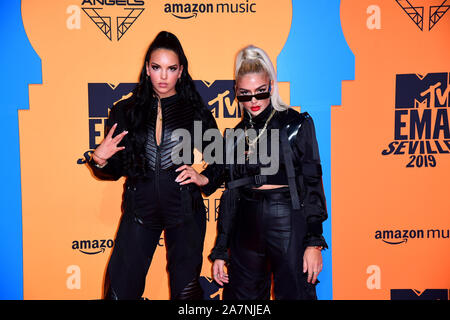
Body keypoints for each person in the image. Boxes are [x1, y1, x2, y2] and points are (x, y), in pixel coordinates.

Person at [88, 31, 218, 300]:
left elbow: (221, 159)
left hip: (184, 211)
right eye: (157, 67)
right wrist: (99, 159)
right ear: (147, 69)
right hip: (139, 210)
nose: (163, 76)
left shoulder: (194, 110)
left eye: (171, 69)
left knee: (187, 297)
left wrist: (204, 177)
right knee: (119, 293)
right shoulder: (126, 110)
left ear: (181, 71)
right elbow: (116, 168)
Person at [202, 45, 328, 300]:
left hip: (287, 220)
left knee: (295, 294)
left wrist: (314, 242)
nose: (254, 101)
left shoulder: (297, 124)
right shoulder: (235, 136)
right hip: (245, 224)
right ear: (236, 93)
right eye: (245, 95)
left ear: (271, 85)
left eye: (260, 92)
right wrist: (221, 250)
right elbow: (228, 194)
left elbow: (313, 183)